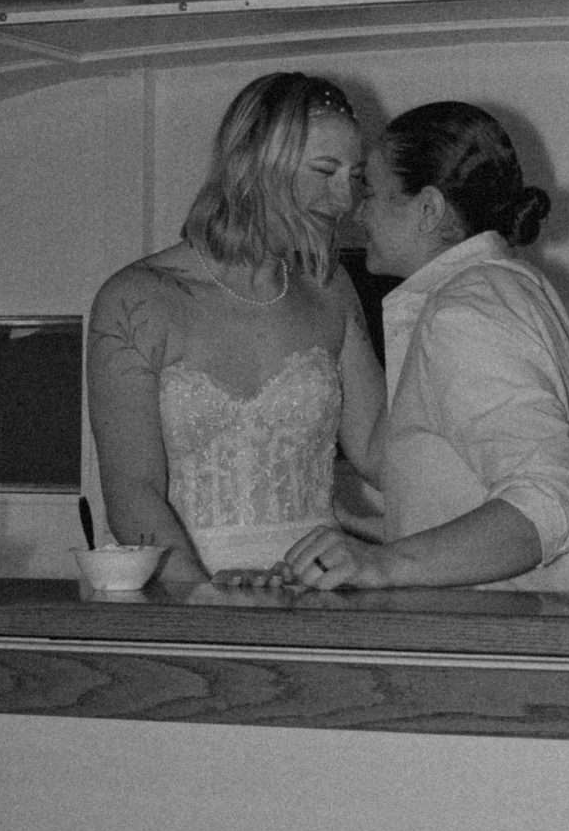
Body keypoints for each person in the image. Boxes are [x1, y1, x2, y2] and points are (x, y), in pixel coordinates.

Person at [280, 100, 569, 594]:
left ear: (428, 209)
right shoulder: (507, 287)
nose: (359, 213)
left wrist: (383, 566)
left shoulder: (465, 313)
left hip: (507, 649)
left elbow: (552, 502)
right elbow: (452, 490)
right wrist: (354, 528)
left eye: (372, 193)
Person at [86, 72, 384, 591]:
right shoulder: (137, 297)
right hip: (187, 595)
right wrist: (204, 594)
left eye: (354, 176)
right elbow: (132, 493)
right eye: (324, 171)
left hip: (319, 595)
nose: (344, 200)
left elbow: (382, 453)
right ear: (255, 163)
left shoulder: (329, 286)